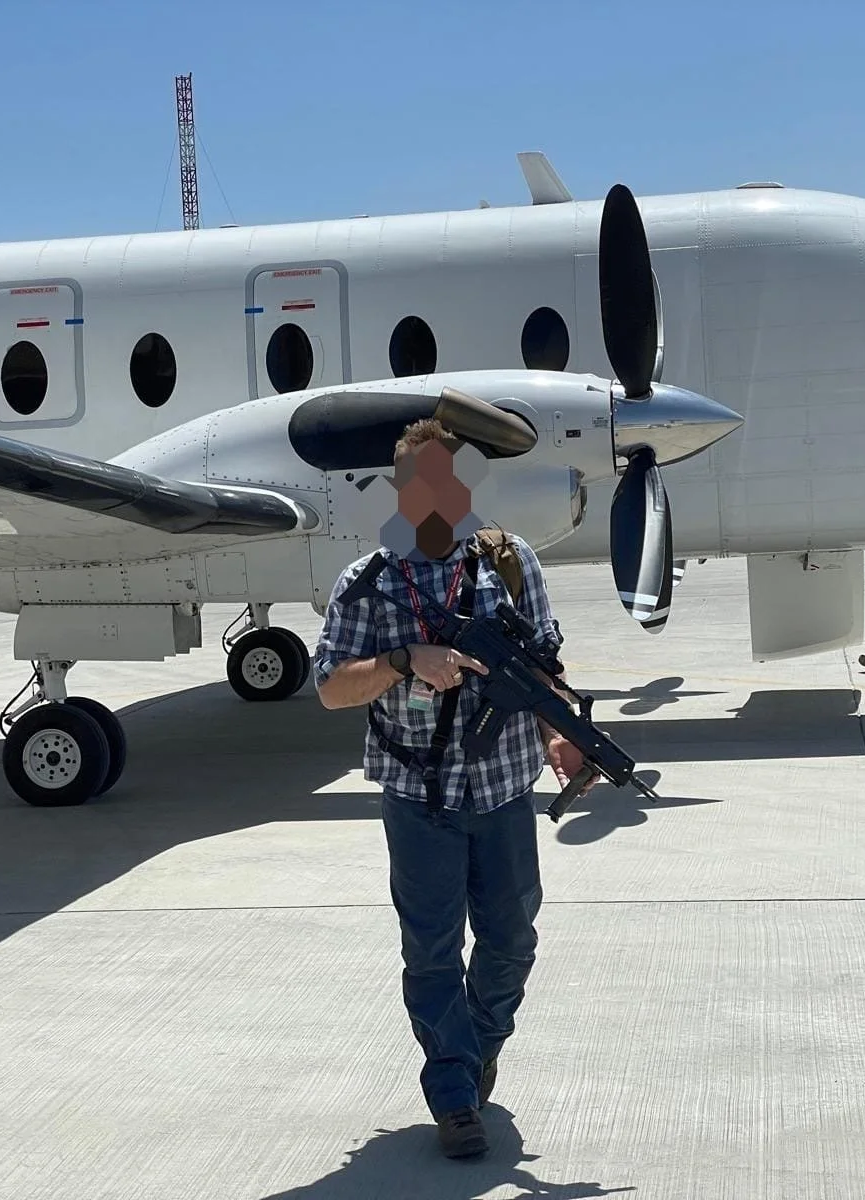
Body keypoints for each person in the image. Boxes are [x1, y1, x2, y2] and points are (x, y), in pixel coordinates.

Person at [313, 418, 590, 1161]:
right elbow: (334, 689)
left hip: (502, 790)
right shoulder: (367, 583)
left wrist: (560, 730)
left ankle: (471, 1050)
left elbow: (542, 663)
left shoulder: (507, 562)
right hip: (417, 797)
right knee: (432, 951)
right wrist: (407, 658)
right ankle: (454, 1095)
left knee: (511, 942)